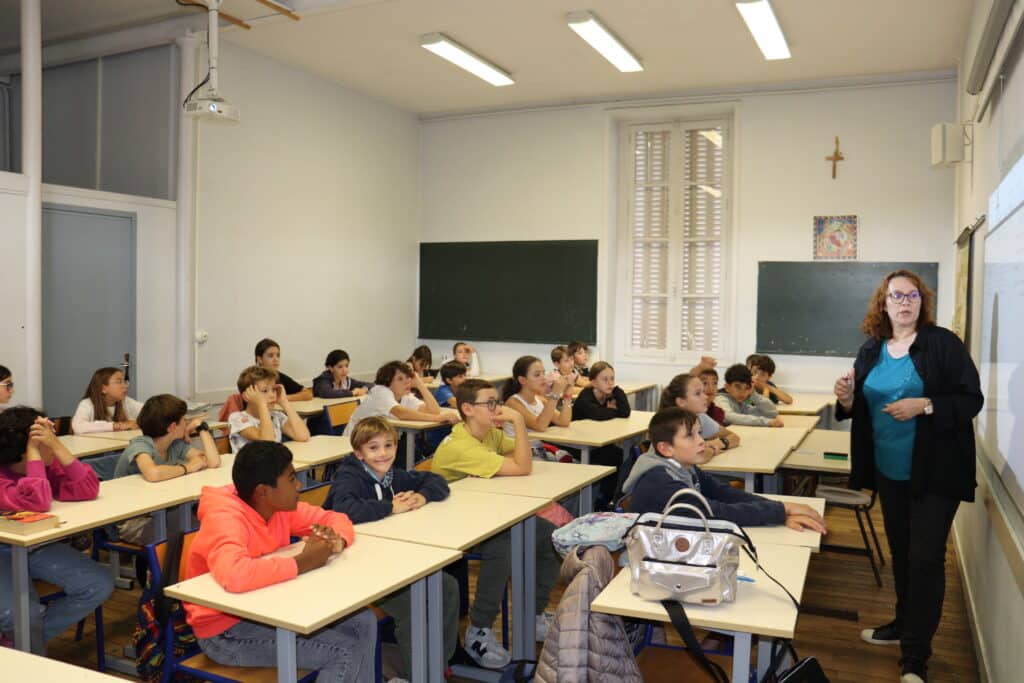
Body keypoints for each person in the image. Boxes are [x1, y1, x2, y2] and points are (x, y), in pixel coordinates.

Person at [833, 269, 982, 683]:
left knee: (925, 559)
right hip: (889, 471)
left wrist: (925, 405)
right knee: (901, 552)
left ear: (922, 302)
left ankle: (916, 657)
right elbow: (859, 408)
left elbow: (972, 398)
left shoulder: (942, 344)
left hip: (936, 472)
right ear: (883, 304)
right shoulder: (871, 349)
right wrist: (846, 399)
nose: (904, 302)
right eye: (896, 296)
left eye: (912, 295)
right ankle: (903, 624)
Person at [182, 441, 376, 682]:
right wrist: (303, 562)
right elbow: (236, 575)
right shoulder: (225, 519)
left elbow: (334, 518)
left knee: (364, 621)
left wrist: (339, 541)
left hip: (270, 610)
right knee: (344, 651)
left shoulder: (278, 507)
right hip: (226, 631)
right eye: (291, 479)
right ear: (263, 491)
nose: (299, 485)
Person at [432, 379, 561, 669]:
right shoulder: (460, 446)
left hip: (485, 514)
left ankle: (534, 615)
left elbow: (523, 453)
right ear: (467, 409)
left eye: (497, 402)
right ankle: (479, 629)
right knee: (504, 545)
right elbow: (523, 466)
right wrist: (517, 420)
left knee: (549, 535)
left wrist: (512, 447)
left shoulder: (487, 434)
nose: (498, 409)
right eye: (489, 403)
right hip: (451, 525)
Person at [322, 417, 460, 676]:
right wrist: (390, 507)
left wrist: (422, 496)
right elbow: (344, 509)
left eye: (389, 445)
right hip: (352, 568)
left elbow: (437, 481)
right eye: (373, 448)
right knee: (411, 606)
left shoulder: (392, 475)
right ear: (359, 453)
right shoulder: (350, 477)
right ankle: (415, 675)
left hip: (387, 560)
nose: (383, 453)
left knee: (448, 587)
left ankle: (436, 665)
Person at [0, 406, 113, 653]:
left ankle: (18, 642)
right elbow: (37, 502)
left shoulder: (47, 466)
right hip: (3, 550)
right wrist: (34, 451)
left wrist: (57, 447)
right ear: (25, 451)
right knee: (19, 615)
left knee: (98, 583)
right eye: (47, 441)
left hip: (36, 546)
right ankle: (26, 650)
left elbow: (88, 488)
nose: (53, 444)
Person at [622, 407, 826, 532]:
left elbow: (725, 494)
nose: (701, 441)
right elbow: (715, 512)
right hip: (647, 560)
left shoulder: (685, 467)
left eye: (700, 433)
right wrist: (781, 511)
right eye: (690, 436)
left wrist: (780, 509)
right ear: (666, 449)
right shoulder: (660, 481)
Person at [112, 394, 222, 544]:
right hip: (135, 522)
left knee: (209, 529)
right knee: (189, 540)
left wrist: (202, 428)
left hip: (164, 512)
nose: (187, 423)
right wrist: (188, 467)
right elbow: (153, 473)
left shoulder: (175, 444)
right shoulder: (140, 445)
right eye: (184, 420)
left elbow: (213, 461)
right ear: (172, 427)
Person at [343, 361, 457, 438]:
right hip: (354, 442)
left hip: (377, 442)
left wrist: (419, 384)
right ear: (388, 382)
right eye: (400, 379)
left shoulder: (405, 396)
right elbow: (400, 413)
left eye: (408, 377)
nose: (407, 381)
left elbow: (434, 410)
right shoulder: (380, 391)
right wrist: (436, 419)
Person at [572, 362, 631, 507]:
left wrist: (617, 390)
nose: (610, 383)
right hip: (578, 445)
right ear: (593, 382)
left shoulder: (610, 394)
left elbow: (625, 412)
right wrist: (612, 411)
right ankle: (604, 500)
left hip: (598, 443)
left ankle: (611, 498)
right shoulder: (585, 395)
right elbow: (598, 414)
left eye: (612, 379)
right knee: (617, 458)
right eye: (605, 379)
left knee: (624, 456)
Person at [503, 356, 572, 461]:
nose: (543, 378)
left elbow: (564, 421)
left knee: (570, 461)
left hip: (537, 451)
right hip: (518, 454)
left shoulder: (540, 399)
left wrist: (567, 395)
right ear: (522, 380)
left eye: (543, 373)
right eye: (537, 375)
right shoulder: (513, 403)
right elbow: (540, 426)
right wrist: (555, 393)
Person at [228, 366, 310, 453]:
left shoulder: (276, 416)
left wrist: (285, 402)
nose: (272, 395)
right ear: (246, 396)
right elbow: (267, 443)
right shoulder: (238, 418)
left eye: (273, 390)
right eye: (264, 391)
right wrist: (262, 404)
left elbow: (303, 436)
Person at [659, 372, 740, 456]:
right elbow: (693, 456)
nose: (705, 396)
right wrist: (712, 449)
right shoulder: (671, 425)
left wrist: (716, 443)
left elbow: (734, 437)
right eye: (698, 393)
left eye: (703, 392)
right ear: (681, 402)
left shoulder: (699, 416)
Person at [71, 367, 143, 434]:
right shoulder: (87, 403)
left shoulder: (126, 401)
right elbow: (78, 427)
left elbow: (147, 412)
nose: (125, 386)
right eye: (118, 382)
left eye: (124, 382)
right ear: (103, 389)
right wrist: (118, 426)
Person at [713, 364, 784, 427]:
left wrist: (753, 394)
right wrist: (766, 422)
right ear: (727, 387)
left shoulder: (743, 402)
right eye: (738, 387)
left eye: (747, 388)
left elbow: (772, 413)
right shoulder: (721, 399)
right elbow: (729, 417)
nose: (742, 392)